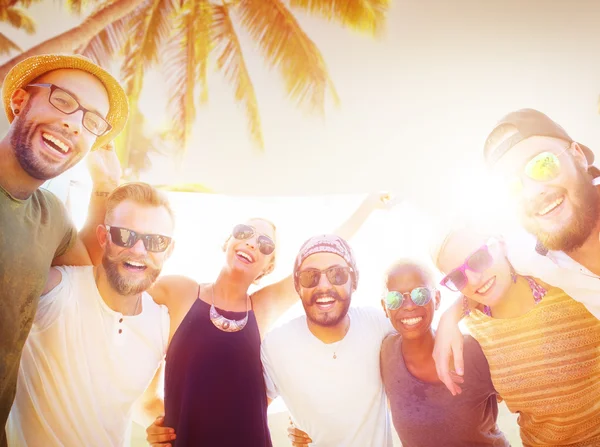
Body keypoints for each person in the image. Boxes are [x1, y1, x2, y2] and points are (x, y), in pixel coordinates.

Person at [145, 195, 395, 446]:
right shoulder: (179, 291)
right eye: (244, 232)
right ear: (228, 242)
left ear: (268, 266)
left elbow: (325, 253)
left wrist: (368, 205)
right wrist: (152, 420)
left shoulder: (261, 308)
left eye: (265, 244)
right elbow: (121, 304)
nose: (252, 243)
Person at [0, 53, 128, 444]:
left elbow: (89, 273)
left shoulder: (49, 216)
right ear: (20, 101)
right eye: (62, 99)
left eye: (92, 122)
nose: (74, 124)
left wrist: (107, 185)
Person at [433, 109, 600, 394]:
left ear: (578, 156)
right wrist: (449, 318)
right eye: (512, 187)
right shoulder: (531, 254)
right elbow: (479, 273)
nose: (533, 191)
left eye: (543, 165)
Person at [6, 183, 173, 446]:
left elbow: (141, 403)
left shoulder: (163, 323)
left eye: (156, 241)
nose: (139, 251)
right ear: (104, 237)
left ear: (169, 250)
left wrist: (164, 425)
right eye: (125, 236)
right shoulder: (57, 291)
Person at [433, 226, 600, 446]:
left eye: (479, 259)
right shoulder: (473, 333)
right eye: (457, 277)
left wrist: (449, 315)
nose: (473, 280)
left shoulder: (561, 280)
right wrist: (448, 318)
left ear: (501, 244)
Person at [261, 235, 394, 447]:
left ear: (354, 281)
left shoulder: (378, 324)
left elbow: (427, 341)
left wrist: (452, 320)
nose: (323, 286)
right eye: (309, 276)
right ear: (297, 285)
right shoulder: (276, 345)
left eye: (337, 274)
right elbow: (247, 416)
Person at [380, 260, 509, 447]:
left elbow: (505, 277)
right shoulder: (386, 354)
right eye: (395, 298)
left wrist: (452, 316)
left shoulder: (471, 352)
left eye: (420, 294)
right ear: (385, 307)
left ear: (437, 299)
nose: (408, 305)